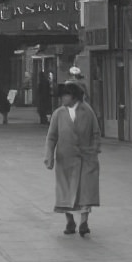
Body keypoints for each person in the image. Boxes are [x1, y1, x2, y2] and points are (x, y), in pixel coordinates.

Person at [43, 81, 101, 236]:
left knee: (85, 191)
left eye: (65, 95)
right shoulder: (58, 114)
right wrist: (49, 155)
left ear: (74, 96)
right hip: (65, 159)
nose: (62, 98)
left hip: (85, 159)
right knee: (65, 191)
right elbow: (51, 136)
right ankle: (69, 221)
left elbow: (96, 133)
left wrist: (94, 150)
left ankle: (84, 222)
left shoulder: (88, 111)